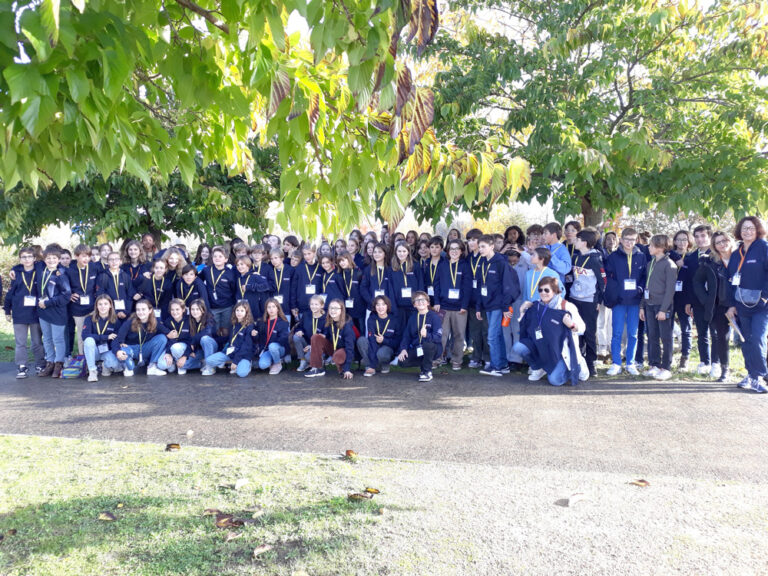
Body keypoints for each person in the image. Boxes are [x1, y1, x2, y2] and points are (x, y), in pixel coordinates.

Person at [512, 277, 585, 386]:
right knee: (518, 347)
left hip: (560, 352)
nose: (543, 293)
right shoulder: (536, 306)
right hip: (542, 348)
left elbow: (582, 328)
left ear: (555, 291)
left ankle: (576, 368)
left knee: (555, 381)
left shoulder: (566, 307)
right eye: (540, 290)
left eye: (547, 290)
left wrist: (571, 324)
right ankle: (539, 368)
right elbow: (524, 324)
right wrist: (522, 311)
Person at [726, 216, 768, 393]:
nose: (747, 231)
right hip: (741, 305)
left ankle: (759, 377)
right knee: (746, 340)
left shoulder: (764, 248)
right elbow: (730, 281)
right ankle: (751, 374)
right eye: (744, 228)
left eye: (751, 228)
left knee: (757, 339)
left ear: (758, 229)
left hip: (761, 306)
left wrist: (765, 297)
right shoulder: (737, 253)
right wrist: (731, 305)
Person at [476, 234, 520, 377]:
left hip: (498, 305)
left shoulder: (501, 263)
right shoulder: (481, 262)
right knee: (498, 335)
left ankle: (496, 367)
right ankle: (503, 364)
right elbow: (479, 286)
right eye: (479, 247)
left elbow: (507, 286)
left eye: (483, 246)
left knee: (492, 336)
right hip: (487, 305)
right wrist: (478, 307)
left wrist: (506, 306)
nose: (480, 249)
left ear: (492, 246)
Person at [604, 228, 647, 376]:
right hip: (619, 301)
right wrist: (616, 293)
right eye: (627, 239)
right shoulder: (613, 257)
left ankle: (630, 363)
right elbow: (609, 278)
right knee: (616, 333)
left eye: (633, 240)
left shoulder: (641, 256)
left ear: (636, 241)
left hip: (635, 301)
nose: (629, 242)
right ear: (621, 240)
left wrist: (640, 288)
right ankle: (616, 363)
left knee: (633, 333)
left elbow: (644, 276)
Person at [693, 231, 734, 383]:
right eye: (718, 242)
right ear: (714, 246)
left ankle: (755, 373)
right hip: (719, 306)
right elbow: (697, 282)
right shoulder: (710, 261)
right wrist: (706, 300)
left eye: (724, 240)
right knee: (721, 338)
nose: (722, 244)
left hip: (741, 305)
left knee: (751, 338)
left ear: (730, 240)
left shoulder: (740, 257)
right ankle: (724, 370)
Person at [567, 229, 605, 377]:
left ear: (584, 242)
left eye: (577, 239)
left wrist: (598, 300)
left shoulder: (596, 259)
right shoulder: (575, 258)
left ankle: (591, 363)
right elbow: (572, 277)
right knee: (576, 331)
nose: (574, 241)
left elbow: (603, 281)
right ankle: (577, 362)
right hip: (574, 299)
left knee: (589, 332)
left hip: (590, 301)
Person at [639, 235, 677, 381]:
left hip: (662, 307)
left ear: (661, 247)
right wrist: (642, 305)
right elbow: (646, 286)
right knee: (652, 336)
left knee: (666, 337)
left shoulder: (669, 265)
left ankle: (666, 367)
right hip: (649, 305)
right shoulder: (651, 263)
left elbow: (670, 290)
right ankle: (654, 365)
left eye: (651, 246)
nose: (649, 248)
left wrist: (663, 309)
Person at [3, 247, 45, 378]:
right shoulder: (16, 272)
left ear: (34, 258)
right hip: (19, 312)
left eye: (29, 257)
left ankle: (40, 364)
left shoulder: (40, 269)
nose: (27, 259)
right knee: (20, 342)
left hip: (35, 312)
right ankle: (22, 366)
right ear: (20, 259)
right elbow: (10, 293)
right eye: (23, 257)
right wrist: (7, 310)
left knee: (37, 341)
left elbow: (47, 261)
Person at [683, 225, 717, 376]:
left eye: (703, 236)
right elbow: (689, 282)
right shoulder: (690, 257)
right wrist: (689, 302)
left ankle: (717, 363)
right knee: (702, 332)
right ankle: (705, 361)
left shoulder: (716, 254)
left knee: (715, 333)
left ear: (710, 237)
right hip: (696, 301)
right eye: (697, 236)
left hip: (715, 301)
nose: (700, 239)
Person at [434, 239, 472, 370]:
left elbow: (467, 287)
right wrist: (437, 302)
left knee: (459, 335)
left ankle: (457, 360)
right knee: (441, 335)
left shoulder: (465, 266)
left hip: (459, 308)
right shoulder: (442, 265)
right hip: (443, 306)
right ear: (448, 251)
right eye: (451, 249)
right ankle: (438, 358)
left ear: (461, 251)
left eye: (457, 249)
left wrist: (464, 305)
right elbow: (436, 285)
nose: (454, 251)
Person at [37, 246, 72, 378]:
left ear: (58, 260)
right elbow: (24, 264)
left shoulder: (61, 274)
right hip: (43, 311)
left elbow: (66, 295)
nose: (51, 260)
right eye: (48, 258)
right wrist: (13, 269)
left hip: (57, 311)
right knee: (47, 339)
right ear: (44, 259)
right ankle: (50, 363)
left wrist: (48, 302)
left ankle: (59, 363)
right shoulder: (41, 271)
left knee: (58, 339)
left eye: (54, 258)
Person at [112, 299, 169, 377]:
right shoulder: (129, 322)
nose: (140, 312)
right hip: (131, 349)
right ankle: (128, 367)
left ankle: (152, 367)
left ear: (150, 310)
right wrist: (117, 351)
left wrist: (169, 352)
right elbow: (116, 339)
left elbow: (168, 333)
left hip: (145, 348)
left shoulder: (155, 322)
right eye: (138, 310)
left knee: (162, 338)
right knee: (122, 350)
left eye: (143, 309)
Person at [396, 291, 443, 382]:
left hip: (433, 348)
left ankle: (427, 372)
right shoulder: (413, 318)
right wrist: (403, 349)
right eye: (417, 300)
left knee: (427, 344)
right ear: (414, 305)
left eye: (423, 300)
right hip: (418, 348)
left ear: (428, 303)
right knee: (402, 362)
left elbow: (438, 337)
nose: (420, 302)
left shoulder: (434, 317)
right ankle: (425, 365)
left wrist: (426, 335)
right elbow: (407, 336)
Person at [304, 298, 356, 379]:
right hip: (333, 348)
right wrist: (314, 345)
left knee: (338, 355)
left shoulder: (347, 326)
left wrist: (347, 369)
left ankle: (342, 368)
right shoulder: (329, 322)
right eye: (331, 308)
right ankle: (316, 368)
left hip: (343, 351)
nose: (333, 310)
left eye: (336, 308)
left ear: (341, 310)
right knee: (316, 337)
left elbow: (350, 348)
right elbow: (326, 337)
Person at [204, 300, 255, 378]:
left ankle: (246, 365)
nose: (239, 312)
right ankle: (235, 364)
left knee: (241, 374)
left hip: (243, 355)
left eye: (242, 311)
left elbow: (246, 347)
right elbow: (228, 338)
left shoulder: (249, 326)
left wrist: (235, 361)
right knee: (208, 360)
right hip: (231, 353)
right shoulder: (233, 324)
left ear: (246, 312)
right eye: (237, 310)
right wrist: (213, 340)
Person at [67, 244, 99, 356]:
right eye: (83, 256)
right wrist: (69, 294)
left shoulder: (94, 268)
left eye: (88, 256)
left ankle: (96, 358)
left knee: (96, 332)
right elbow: (64, 286)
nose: (86, 259)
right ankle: (83, 358)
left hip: (93, 307)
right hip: (77, 309)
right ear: (76, 256)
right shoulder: (70, 270)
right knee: (81, 334)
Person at [358, 295, 400, 376]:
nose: (380, 307)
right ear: (375, 307)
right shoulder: (371, 319)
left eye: (383, 304)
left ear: (387, 306)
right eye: (378, 305)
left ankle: (384, 364)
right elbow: (372, 341)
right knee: (361, 340)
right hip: (374, 346)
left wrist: (384, 340)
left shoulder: (394, 320)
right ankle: (370, 366)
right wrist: (372, 365)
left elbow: (397, 342)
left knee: (382, 353)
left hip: (387, 347)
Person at [465, 229, 489, 369]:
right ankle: (476, 357)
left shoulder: (486, 258)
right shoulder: (468, 259)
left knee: (486, 331)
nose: (471, 243)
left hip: (485, 302)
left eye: (474, 240)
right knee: (475, 331)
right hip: (472, 301)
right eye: (469, 240)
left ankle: (487, 357)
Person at [82, 295, 121, 381]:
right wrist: (106, 337)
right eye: (100, 304)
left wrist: (117, 352)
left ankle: (105, 365)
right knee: (88, 340)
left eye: (105, 304)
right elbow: (85, 335)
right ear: (96, 306)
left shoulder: (115, 320)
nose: (103, 306)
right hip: (94, 351)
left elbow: (116, 339)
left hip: (107, 351)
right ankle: (92, 371)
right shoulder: (89, 319)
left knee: (115, 364)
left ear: (110, 305)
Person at [670, 230, 693, 369]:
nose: (681, 242)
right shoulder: (670, 255)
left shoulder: (692, 257)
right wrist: (673, 255)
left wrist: (690, 301)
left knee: (686, 328)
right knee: (668, 328)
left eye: (684, 239)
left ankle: (685, 357)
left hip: (685, 297)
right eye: (678, 239)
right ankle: (669, 356)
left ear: (689, 241)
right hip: (670, 296)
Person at [390, 241, 424, 331]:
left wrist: (419, 301)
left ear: (408, 252)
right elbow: (390, 288)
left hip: (413, 305)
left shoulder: (415, 266)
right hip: (399, 306)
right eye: (399, 251)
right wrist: (393, 305)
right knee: (401, 329)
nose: (401, 254)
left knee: (414, 329)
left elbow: (420, 284)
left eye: (404, 251)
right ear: (395, 252)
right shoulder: (392, 268)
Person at [202, 245, 237, 330]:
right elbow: (198, 281)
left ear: (226, 259)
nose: (217, 258)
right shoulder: (206, 270)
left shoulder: (230, 273)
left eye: (220, 256)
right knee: (214, 330)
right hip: (212, 307)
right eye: (215, 256)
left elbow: (234, 289)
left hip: (227, 307)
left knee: (226, 330)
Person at [157, 299, 193, 374]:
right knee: (161, 365)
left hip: (184, 347)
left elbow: (191, 341)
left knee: (176, 348)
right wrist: (168, 353)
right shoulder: (168, 322)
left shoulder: (189, 321)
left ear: (183, 309)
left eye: (177, 309)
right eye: (172, 310)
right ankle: (173, 363)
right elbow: (169, 339)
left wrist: (185, 356)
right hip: (172, 346)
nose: (175, 312)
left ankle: (181, 365)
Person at [255, 297, 291, 374]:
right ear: (266, 309)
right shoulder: (262, 322)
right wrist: (254, 334)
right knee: (263, 365)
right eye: (269, 307)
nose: (271, 309)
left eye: (273, 307)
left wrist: (274, 337)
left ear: (278, 309)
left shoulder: (283, 322)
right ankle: (272, 360)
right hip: (267, 349)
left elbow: (284, 339)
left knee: (272, 346)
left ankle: (277, 364)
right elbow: (258, 338)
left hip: (280, 348)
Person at [96, 251, 135, 321]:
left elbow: (130, 294)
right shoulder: (103, 276)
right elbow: (101, 295)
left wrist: (126, 312)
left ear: (120, 261)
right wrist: (113, 312)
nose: (114, 262)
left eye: (116, 259)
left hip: (125, 313)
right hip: (109, 313)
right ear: (107, 262)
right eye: (111, 260)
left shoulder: (125, 276)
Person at [185, 299, 219, 375]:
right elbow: (188, 338)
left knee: (205, 339)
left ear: (203, 310)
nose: (195, 311)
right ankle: (202, 363)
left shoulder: (209, 318)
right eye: (192, 309)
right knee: (184, 365)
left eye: (197, 309)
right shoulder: (190, 321)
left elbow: (207, 332)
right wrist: (190, 351)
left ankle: (210, 367)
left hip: (212, 347)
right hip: (199, 350)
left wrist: (193, 341)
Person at [293, 295, 326, 372]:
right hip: (307, 344)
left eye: (316, 304)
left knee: (309, 357)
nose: (313, 306)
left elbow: (326, 336)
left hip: (320, 347)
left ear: (322, 305)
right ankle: (303, 360)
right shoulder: (306, 315)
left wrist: (312, 346)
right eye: (312, 304)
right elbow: (299, 327)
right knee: (296, 337)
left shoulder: (325, 318)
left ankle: (317, 362)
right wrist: (299, 331)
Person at [335, 252, 365, 334]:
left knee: (361, 328)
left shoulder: (358, 272)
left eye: (343, 260)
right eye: (339, 261)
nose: (342, 263)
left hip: (359, 306)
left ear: (349, 259)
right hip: (347, 308)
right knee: (350, 329)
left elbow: (362, 290)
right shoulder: (339, 275)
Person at [291, 244, 323, 319]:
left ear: (314, 253)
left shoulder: (321, 268)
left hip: (317, 307)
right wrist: (293, 305)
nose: (307, 256)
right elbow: (293, 288)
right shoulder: (299, 268)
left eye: (309, 254)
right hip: (302, 306)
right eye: (305, 254)